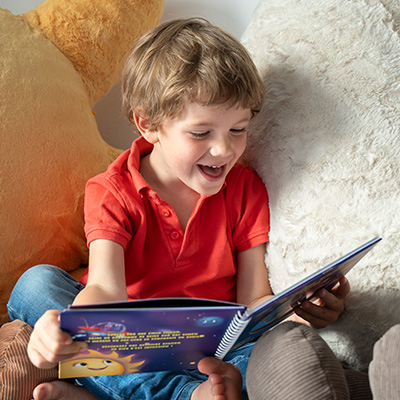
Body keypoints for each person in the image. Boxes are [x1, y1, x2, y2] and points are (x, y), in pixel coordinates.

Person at [7, 18, 350, 400]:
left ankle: (112, 393)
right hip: (131, 346)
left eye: (238, 129)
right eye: (201, 133)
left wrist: (304, 309)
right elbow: (106, 289)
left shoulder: (245, 189)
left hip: (214, 352)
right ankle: (183, 395)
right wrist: (68, 324)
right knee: (36, 285)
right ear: (148, 124)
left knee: (281, 351)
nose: (224, 150)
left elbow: (254, 298)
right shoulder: (113, 190)